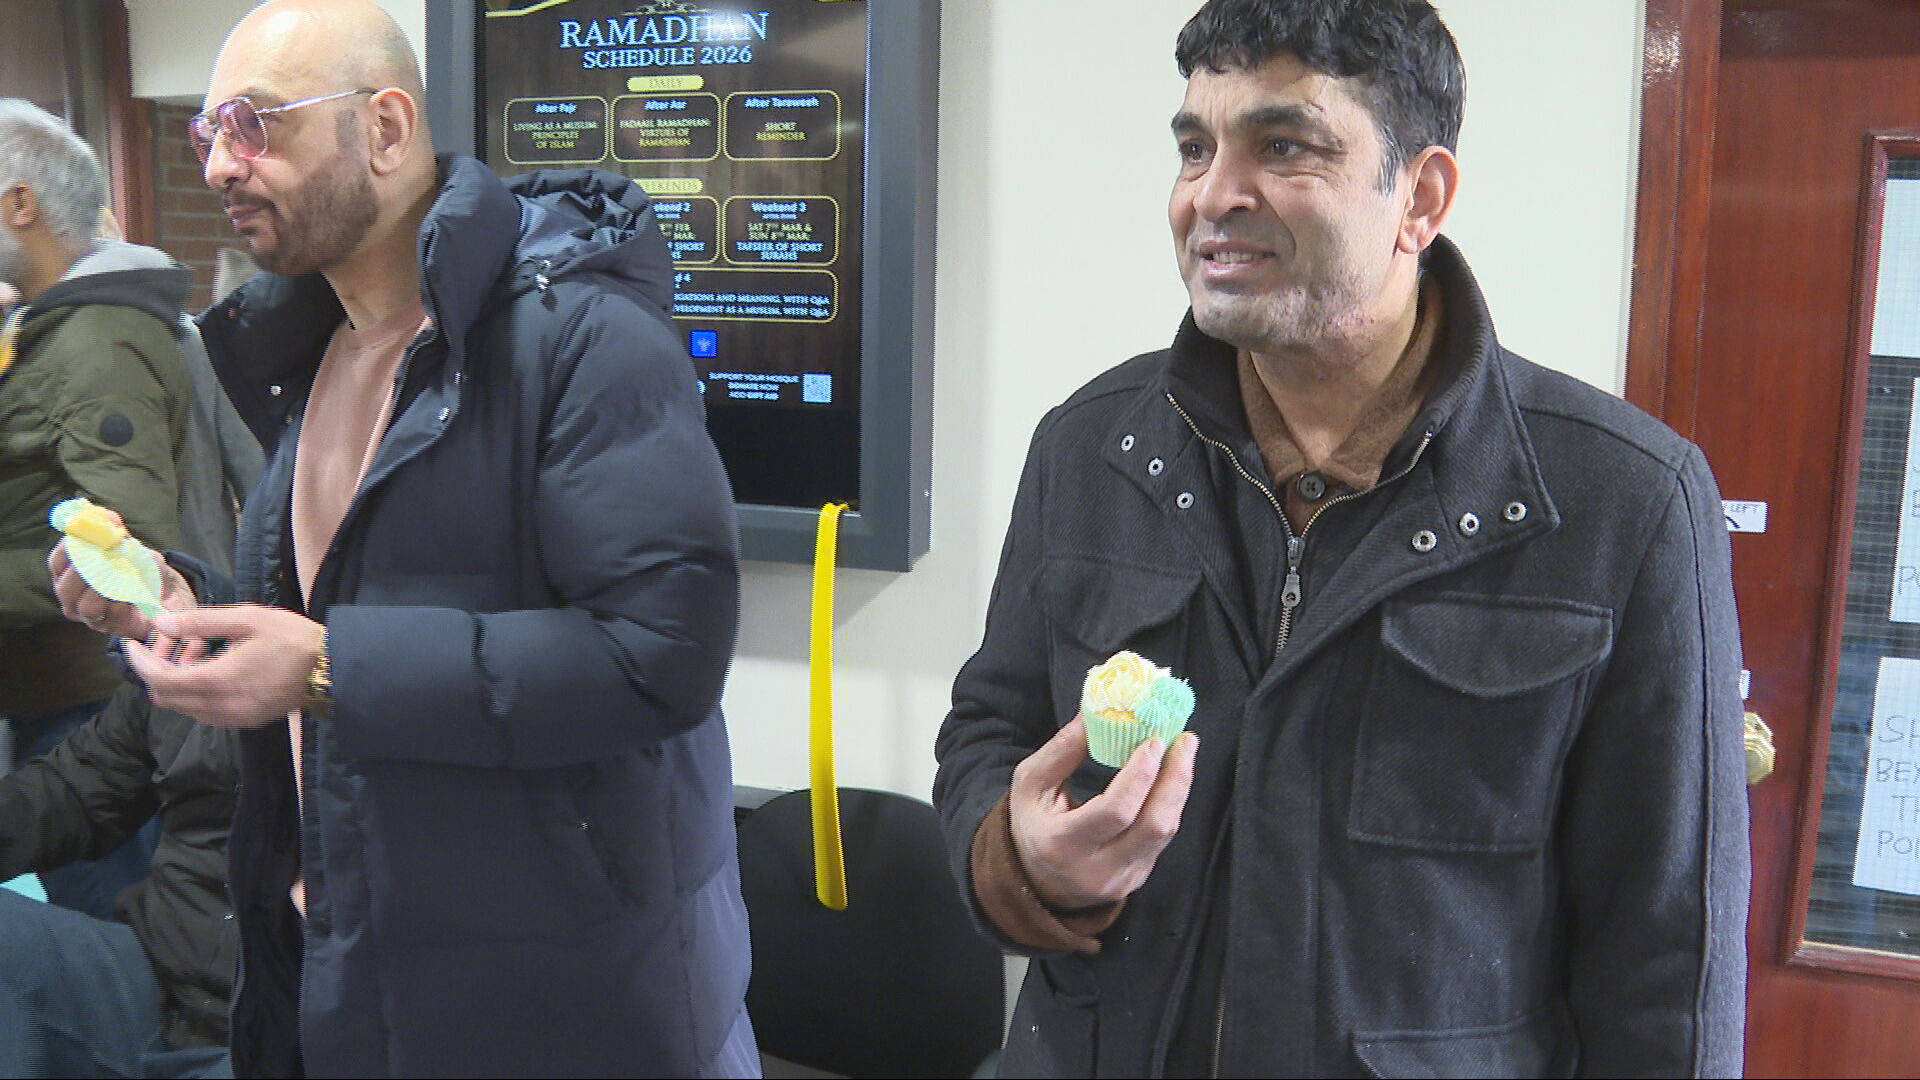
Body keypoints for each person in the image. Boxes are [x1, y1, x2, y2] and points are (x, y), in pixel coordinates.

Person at [932, 1, 1750, 1076]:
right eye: (1195, 148)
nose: (1211, 195)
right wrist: (1019, 858)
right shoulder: (1090, 448)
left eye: (1283, 146)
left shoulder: (1624, 502)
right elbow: (989, 727)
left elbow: (1669, 956)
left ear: (1421, 197)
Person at [52, 2, 755, 1076]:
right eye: (207, 133)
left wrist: (328, 667)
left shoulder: (583, 337)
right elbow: (332, 613)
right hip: (358, 965)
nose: (222, 165)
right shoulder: (315, 351)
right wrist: (180, 605)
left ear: (384, 128)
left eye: (254, 123)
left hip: (560, 1006)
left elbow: (662, 655)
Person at [0, 99, 196, 920]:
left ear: (20, 203)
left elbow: (132, 549)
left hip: (87, 707)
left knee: (119, 935)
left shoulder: (96, 341)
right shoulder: (49, 331)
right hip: (57, 694)